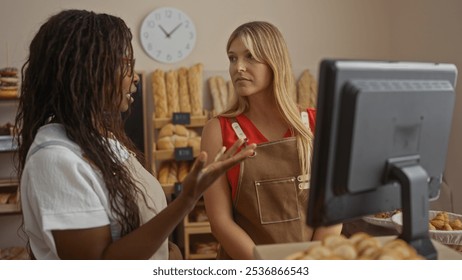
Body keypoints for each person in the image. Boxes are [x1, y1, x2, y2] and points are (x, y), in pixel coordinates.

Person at [14, 9, 256, 260]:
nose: (134, 78)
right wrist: (186, 200)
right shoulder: (56, 160)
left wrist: (166, 252)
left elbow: (138, 233)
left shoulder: (104, 143)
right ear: (88, 72)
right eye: (125, 65)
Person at [201, 21, 342, 259]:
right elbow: (220, 222)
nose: (239, 67)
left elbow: (333, 210)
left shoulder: (317, 124)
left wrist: (311, 265)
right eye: (232, 58)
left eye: (250, 57)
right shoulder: (217, 130)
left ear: (274, 62)